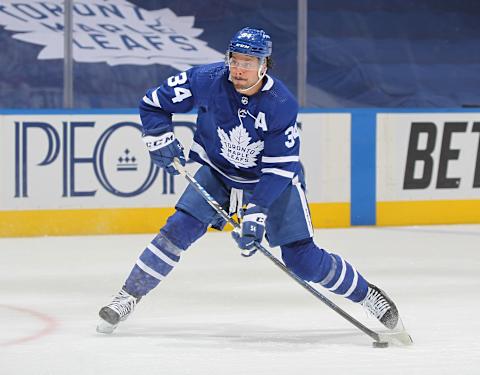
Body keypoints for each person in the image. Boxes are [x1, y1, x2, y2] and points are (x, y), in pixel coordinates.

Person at [97, 27, 399, 334]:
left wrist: (257, 211)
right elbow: (152, 103)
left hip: (270, 180)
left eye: (249, 61)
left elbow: (279, 167)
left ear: (264, 65)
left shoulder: (281, 103)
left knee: (302, 261)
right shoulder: (205, 80)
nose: (239, 68)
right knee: (177, 230)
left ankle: (367, 294)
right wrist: (157, 136)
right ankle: (128, 295)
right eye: (235, 59)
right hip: (219, 172)